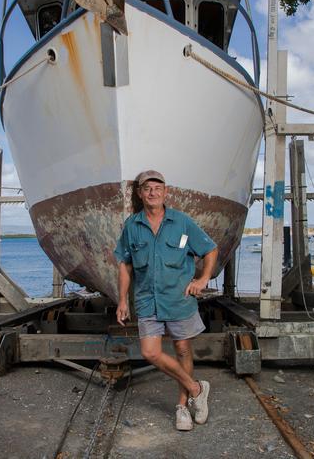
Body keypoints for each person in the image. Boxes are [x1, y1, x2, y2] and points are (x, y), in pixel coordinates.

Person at [114, 170, 218, 431]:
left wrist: (203, 279)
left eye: (157, 188)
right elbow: (125, 264)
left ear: (165, 192)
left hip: (178, 299)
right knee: (150, 352)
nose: (152, 192)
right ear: (139, 193)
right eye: (147, 188)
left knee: (183, 349)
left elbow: (210, 249)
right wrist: (122, 300)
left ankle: (182, 407)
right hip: (147, 300)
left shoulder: (181, 222)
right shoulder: (132, 225)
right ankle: (196, 389)